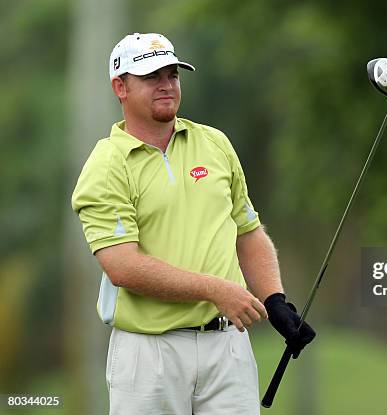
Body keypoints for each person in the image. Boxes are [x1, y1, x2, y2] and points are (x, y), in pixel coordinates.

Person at [71, 32, 315, 415]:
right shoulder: (106, 166)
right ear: (120, 86)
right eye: (152, 77)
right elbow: (122, 266)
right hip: (149, 353)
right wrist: (218, 290)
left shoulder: (214, 143)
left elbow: (247, 231)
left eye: (172, 74)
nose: (166, 85)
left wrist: (275, 300)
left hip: (227, 347)